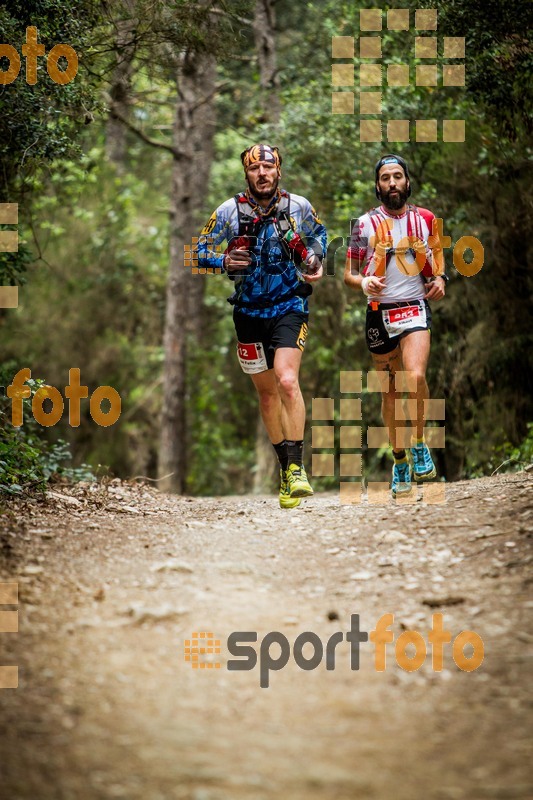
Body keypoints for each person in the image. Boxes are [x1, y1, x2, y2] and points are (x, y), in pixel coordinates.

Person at [197, 143, 327, 508]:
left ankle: (298, 468)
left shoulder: (297, 206)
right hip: (248, 313)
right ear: (247, 174)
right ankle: (285, 471)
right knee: (267, 394)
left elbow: (321, 235)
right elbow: (197, 251)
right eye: (255, 169)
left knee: (287, 381)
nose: (262, 174)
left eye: (268, 168)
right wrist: (223, 261)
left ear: (278, 171)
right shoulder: (228, 211)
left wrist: (315, 259)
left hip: (290, 305)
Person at [344, 153, 448, 498]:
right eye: (386, 177)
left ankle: (418, 443)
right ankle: (400, 460)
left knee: (415, 377)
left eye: (398, 176)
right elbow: (348, 274)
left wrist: (441, 278)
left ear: (407, 181)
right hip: (379, 313)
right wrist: (363, 284)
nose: (392, 183)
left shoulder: (426, 219)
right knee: (389, 392)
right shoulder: (364, 225)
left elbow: (437, 253)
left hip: (415, 308)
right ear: (378, 185)